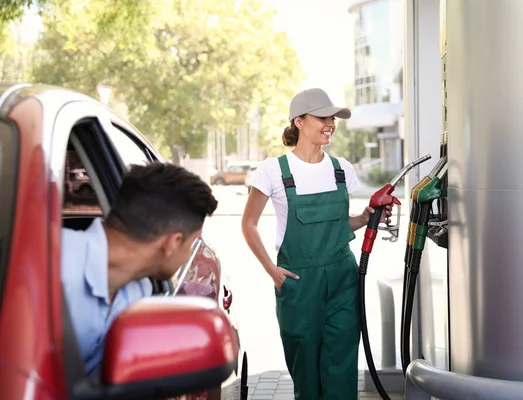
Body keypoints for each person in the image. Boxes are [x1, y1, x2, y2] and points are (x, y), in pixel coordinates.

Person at [241, 88, 391, 399]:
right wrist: (271, 270)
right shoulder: (274, 170)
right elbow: (248, 224)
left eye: (333, 118)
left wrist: (365, 217)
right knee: (305, 368)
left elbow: (340, 222)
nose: (331, 123)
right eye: (322, 117)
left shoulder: (341, 169)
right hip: (298, 282)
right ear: (299, 121)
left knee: (341, 364)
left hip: (342, 279)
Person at [61, 162, 218, 376]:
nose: (191, 253)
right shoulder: (48, 266)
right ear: (172, 243)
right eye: (192, 243)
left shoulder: (141, 291)